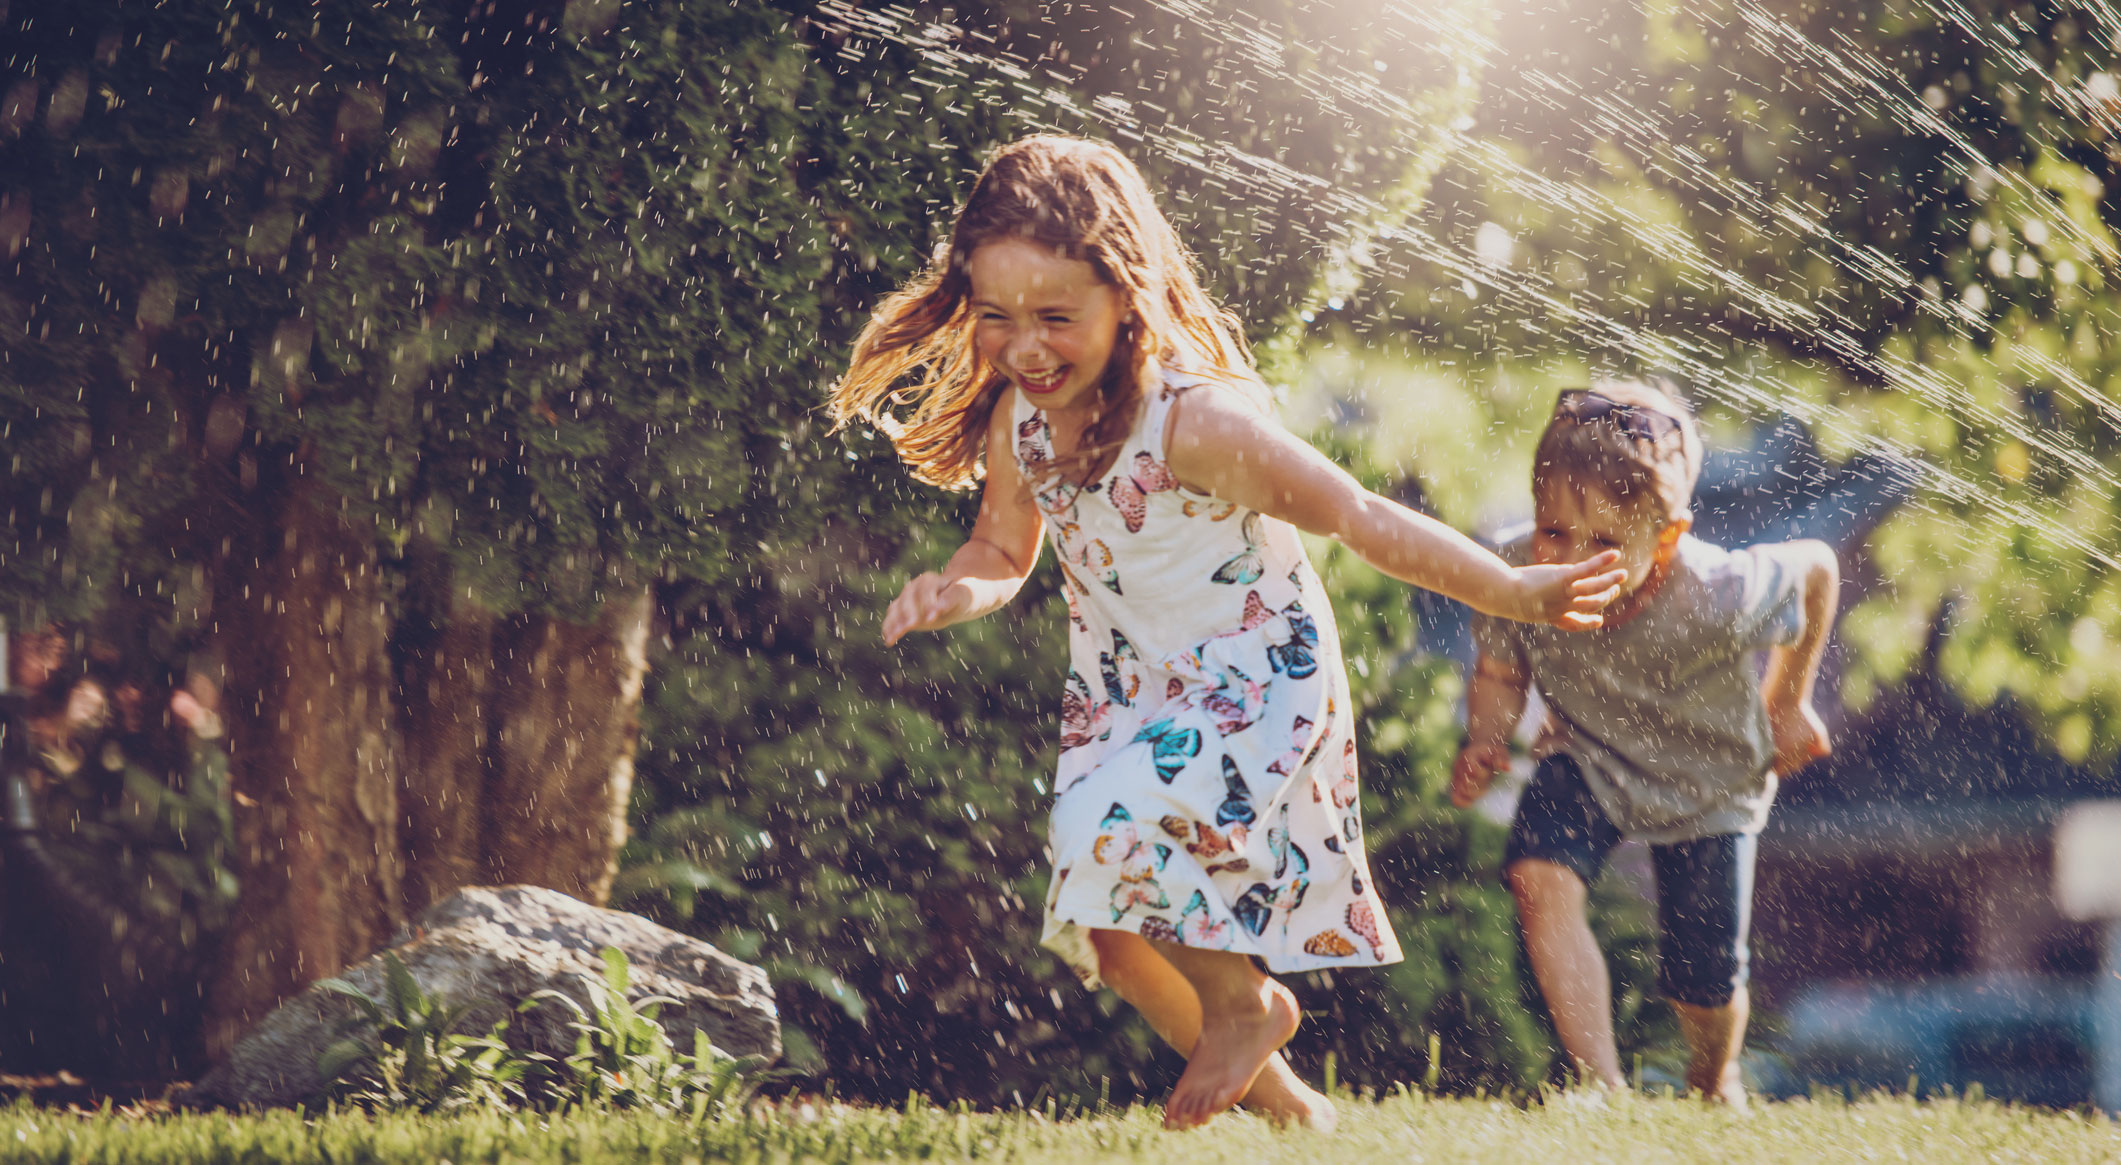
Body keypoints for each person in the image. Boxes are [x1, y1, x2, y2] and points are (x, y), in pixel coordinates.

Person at [827, 134, 1627, 1130]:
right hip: (1132, 692)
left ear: (1127, 296)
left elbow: (1357, 515)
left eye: (1056, 317)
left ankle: (1247, 1004)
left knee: (1107, 835)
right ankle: (1293, 1111)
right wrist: (957, 588)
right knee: (1110, 936)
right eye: (996, 317)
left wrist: (1511, 588)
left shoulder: (1194, 423)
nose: (1025, 345)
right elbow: (1000, 547)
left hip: (1253, 677)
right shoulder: (1021, 424)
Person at [1449, 378, 1841, 1106]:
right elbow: (1501, 667)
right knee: (1538, 877)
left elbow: (1818, 565)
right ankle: (1599, 1087)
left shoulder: (1721, 590)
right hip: (1586, 755)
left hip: (1708, 781)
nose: (1570, 557)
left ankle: (1711, 1076)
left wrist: (1788, 701)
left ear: (1666, 539)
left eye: (1604, 542)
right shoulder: (1517, 576)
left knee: (1701, 978)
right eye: (1553, 529)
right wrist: (1486, 735)